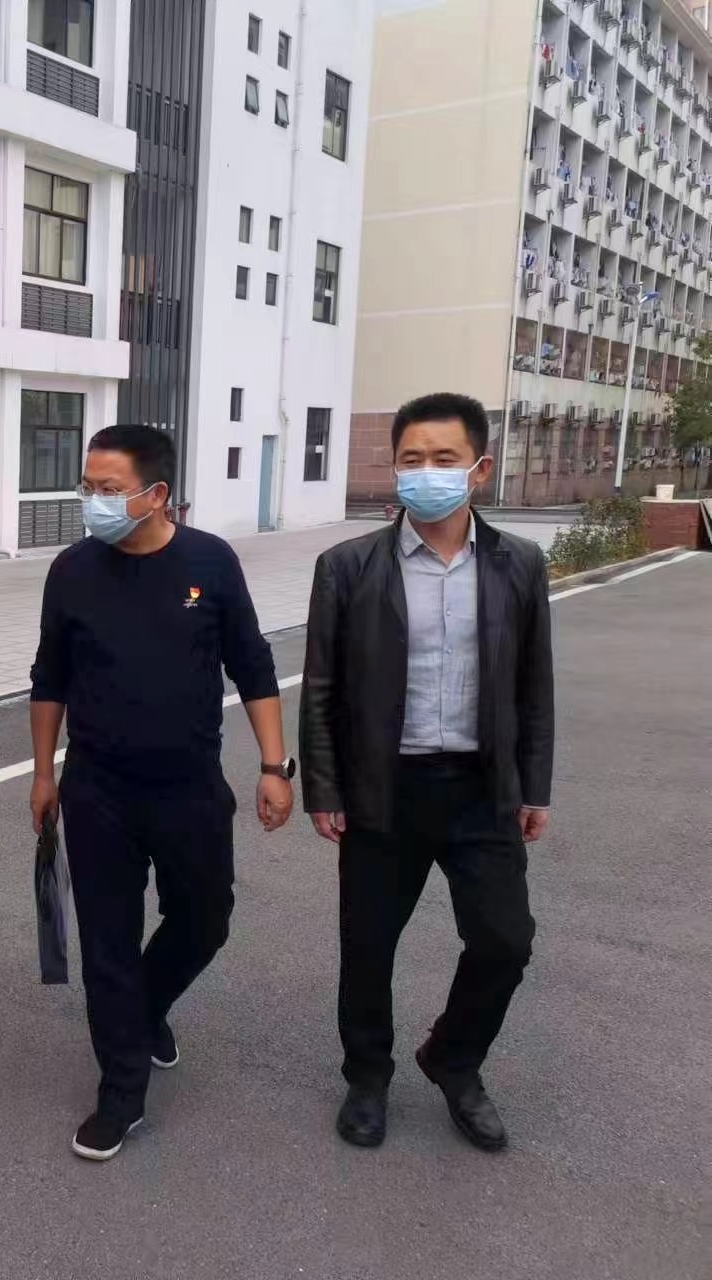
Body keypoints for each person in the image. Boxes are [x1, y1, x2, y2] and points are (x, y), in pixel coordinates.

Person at [28, 425, 293, 1163]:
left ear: (157, 494)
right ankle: (121, 1092)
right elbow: (49, 676)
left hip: (188, 786)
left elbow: (253, 665)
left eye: (109, 489)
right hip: (97, 789)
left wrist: (275, 766)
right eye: (88, 487)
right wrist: (44, 772)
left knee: (206, 917)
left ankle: (145, 1007)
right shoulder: (72, 570)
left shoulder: (209, 561)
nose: (94, 501)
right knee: (106, 941)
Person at [301, 392, 553, 1154]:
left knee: (505, 941)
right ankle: (367, 1077)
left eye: (444, 459)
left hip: (482, 789)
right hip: (384, 790)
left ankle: (453, 1059)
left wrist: (534, 786)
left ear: (479, 469)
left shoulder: (518, 563)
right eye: (412, 459)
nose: (426, 472)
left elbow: (533, 686)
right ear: (395, 468)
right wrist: (325, 788)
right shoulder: (348, 566)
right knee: (368, 947)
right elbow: (321, 687)